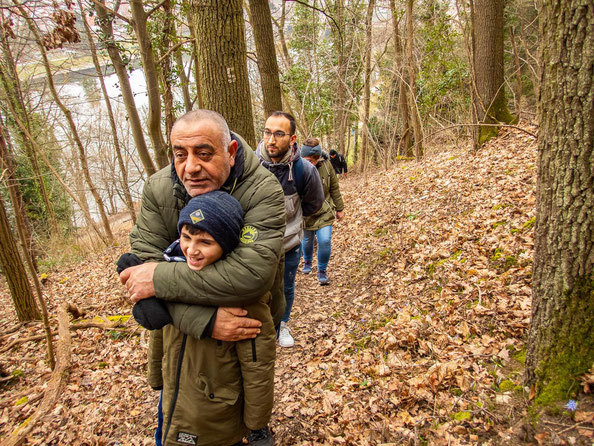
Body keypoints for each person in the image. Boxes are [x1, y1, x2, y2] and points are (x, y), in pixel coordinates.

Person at [119, 110, 286, 446]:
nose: (190, 167)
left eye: (204, 153)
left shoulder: (262, 190)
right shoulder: (160, 188)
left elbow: (250, 275)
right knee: (175, 411)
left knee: (229, 410)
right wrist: (206, 319)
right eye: (180, 155)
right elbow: (141, 280)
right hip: (176, 339)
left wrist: (159, 278)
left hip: (244, 332)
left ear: (231, 152)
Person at [255, 111, 324, 348]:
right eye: (267, 132)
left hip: (289, 244)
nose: (271, 140)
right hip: (253, 247)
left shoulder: (305, 170)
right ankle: (260, 327)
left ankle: (282, 324)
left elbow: (314, 205)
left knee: (285, 286)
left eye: (278, 134)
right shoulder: (249, 166)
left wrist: (292, 224)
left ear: (292, 139)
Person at [300, 138, 345, 285]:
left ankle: (322, 270)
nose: (311, 163)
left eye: (314, 160)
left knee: (324, 240)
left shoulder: (326, 165)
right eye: (308, 160)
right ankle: (307, 261)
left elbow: (334, 187)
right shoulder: (297, 166)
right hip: (305, 212)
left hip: (325, 210)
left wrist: (340, 208)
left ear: (318, 157)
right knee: (307, 240)